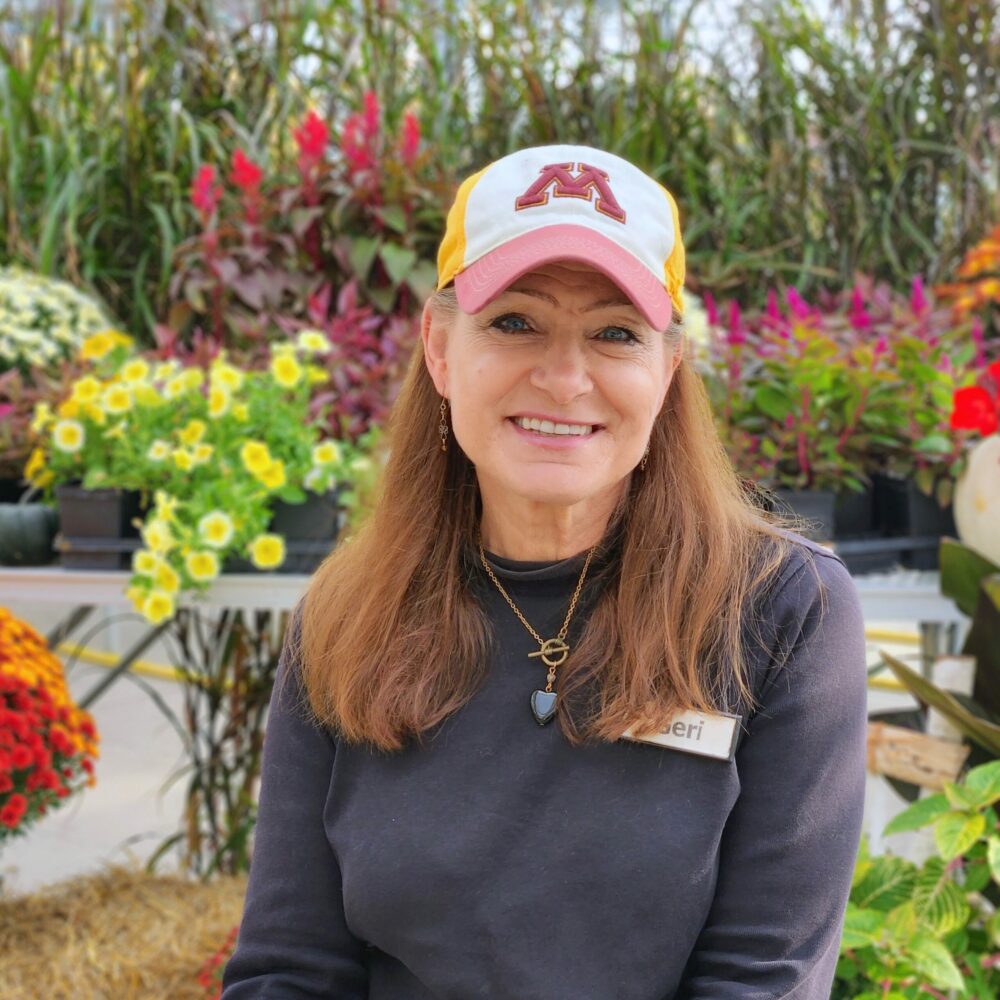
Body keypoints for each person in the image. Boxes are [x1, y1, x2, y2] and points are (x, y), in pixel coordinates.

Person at [221, 143, 867, 999]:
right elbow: (289, 969)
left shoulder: (782, 613)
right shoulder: (347, 617)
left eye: (615, 334)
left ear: (667, 372)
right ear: (442, 350)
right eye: (516, 322)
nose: (565, 378)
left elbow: (763, 980)